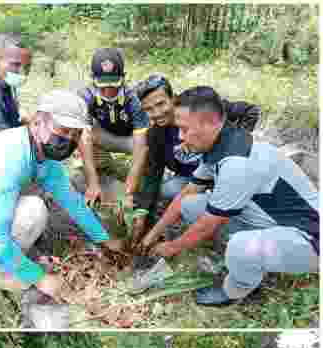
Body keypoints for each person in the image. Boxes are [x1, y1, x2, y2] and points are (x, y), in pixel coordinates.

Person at [135, 86, 319, 306]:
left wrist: (171, 247)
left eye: (185, 130)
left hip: (310, 237)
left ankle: (235, 291)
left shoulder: (237, 165)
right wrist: (152, 235)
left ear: (211, 123)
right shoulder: (220, 143)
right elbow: (186, 193)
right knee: (191, 205)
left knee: (240, 247)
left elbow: (208, 224)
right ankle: (252, 258)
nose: (181, 138)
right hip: (274, 216)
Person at [0, 90, 125, 305]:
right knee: (33, 211)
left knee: (32, 204)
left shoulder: (44, 157)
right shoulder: (10, 157)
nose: (69, 139)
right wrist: (39, 278)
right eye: (63, 130)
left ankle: (7, 263)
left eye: (76, 134)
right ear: (37, 121)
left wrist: (104, 239)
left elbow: (72, 202)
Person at [131, 74, 261, 242]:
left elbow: (250, 111)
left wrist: (230, 146)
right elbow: (153, 175)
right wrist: (142, 213)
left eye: (161, 104)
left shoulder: (198, 109)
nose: (157, 113)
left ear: (173, 98)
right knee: (168, 190)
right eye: (148, 109)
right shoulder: (156, 135)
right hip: (193, 178)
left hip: (223, 171)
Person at [76, 48, 150, 215]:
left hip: (131, 140)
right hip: (104, 136)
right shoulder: (85, 97)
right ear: (93, 79)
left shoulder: (134, 99)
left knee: (148, 147)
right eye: (103, 85)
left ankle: (136, 179)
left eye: (113, 85)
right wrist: (92, 183)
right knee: (85, 134)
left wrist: (129, 192)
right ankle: (105, 168)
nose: (108, 91)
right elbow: (84, 139)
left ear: (123, 78)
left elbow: (141, 147)